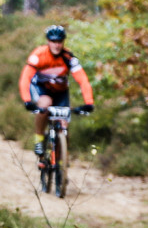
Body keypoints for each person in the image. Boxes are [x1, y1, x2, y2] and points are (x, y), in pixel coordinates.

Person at [19, 25, 95, 156]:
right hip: (41, 88)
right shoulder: (38, 55)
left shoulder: (69, 57)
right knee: (44, 104)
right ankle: (39, 139)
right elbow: (25, 78)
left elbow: (83, 80)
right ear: (48, 41)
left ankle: (61, 164)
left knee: (64, 124)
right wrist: (27, 100)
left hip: (61, 92)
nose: (57, 45)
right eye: (53, 41)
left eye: (59, 42)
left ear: (63, 42)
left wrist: (89, 103)